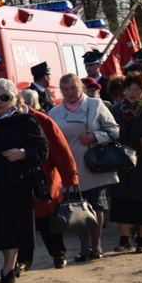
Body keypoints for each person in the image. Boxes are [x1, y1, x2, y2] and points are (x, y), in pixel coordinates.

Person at [0, 79, 49, 283]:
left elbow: (43, 150)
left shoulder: (25, 122)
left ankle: (8, 269)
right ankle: (10, 263)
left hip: (16, 184)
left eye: (4, 97)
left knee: (12, 228)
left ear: (13, 99)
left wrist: (23, 153)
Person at [49, 74, 119, 262]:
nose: (69, 92)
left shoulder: (95, 105)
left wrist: (96, 137)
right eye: (65, 89)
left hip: (94, 164)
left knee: (96, 206)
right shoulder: (55, 113)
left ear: (81, 87)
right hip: (70, 167)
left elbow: (114, 130)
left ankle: (96, 244)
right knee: (76, 208)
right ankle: (84, 247)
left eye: (73, 88)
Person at [15, 95, 79, 272]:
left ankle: (59, 254)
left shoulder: (43, 120)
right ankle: (23, 260)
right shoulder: (9, 120)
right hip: (20, 179)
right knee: (23, 221)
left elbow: (60, 149)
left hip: (45, 178)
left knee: (47, 219)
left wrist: (70, 177)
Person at [108, 71, 142, 253]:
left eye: (136, 89)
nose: (131, 92)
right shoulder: (115, 110)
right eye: (129, 88)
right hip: (120, 160)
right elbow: (107, 129)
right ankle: (125, 239)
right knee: (120, 199)